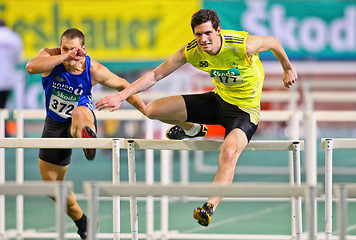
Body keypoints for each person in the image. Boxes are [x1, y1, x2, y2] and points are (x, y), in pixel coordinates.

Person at [95, 9, 297, 227]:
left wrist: (287, 67)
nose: (203, 39)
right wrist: (120, 96)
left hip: (244, 112)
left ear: (218, 31)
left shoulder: (242, 44)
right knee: (152, 110)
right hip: (217, 102)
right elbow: (155, 75)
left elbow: (274, 42)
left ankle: (209, 206)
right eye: (198, 34)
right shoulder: (191, 52)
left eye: (208, 33)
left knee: (229, 153)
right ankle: (191, 129)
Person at [25, 28, 146, 239]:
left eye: (74, 49)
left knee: (79, 114)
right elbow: (31, 67)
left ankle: (86, 137)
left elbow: (123, 84)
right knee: (53, 187)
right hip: (54, 124)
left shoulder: (94, 69)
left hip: (82, 116)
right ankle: (84, 223)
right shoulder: (50, 56)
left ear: (84, 49)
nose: (70, 53)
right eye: (64, 48)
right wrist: (64, 56)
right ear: (59, 47)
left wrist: (144, 110)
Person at [0, 19, 23, 136]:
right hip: (7, 77)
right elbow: (18, 59)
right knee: (3, 106)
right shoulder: (14, 37)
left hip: (5, 76)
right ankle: (3, 131)